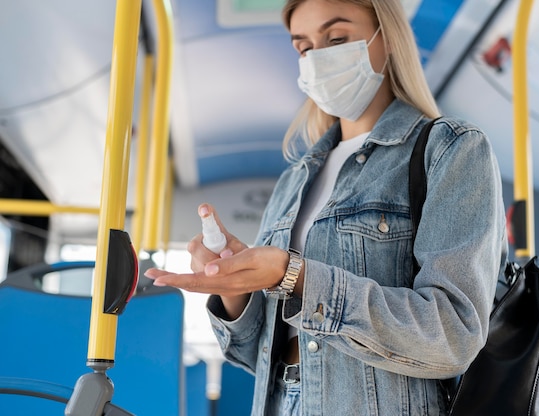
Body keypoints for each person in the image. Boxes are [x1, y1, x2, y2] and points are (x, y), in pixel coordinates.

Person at [145, 0, 508, 414]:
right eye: (304, 48)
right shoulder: (296, 179)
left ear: (386, 39)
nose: (318, 59)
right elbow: (256, 359)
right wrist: (235, 287)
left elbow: (453, 335)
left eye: (336, 38)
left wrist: (294, 276)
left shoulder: (449, 150)